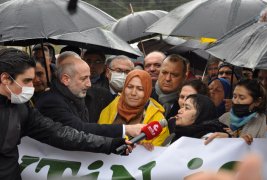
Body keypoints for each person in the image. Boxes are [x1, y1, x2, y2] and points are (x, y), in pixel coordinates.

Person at [0, 48, 133, 180]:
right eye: (26, 81)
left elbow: (61, 133)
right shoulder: (43, 102)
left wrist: (110, 144)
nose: (32, 86)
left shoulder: (22, 108)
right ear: (5, 78)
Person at [36, 51, 143, 138]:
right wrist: (125, 129)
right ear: (66, 79)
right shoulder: (51, 101)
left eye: (89, 77)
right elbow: (79, 129)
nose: (89, 84)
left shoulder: (77, 96)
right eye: (84, 78)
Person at [98, 69, 170, 146]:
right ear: (124, 87)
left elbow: (158, 152)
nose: (133, 93)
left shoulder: (157, 120)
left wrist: (144, 149)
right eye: (129, 87)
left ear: (147, 91)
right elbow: (98, 136)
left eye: (140, 89)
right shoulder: (111, 107)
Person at [205, 79, 267, 145]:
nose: (236, 101)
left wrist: (237, 139)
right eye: (234, 97)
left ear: (257, 102)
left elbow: (260, 148)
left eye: (242, 98)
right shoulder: (225, 117)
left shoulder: (260, 120)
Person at [151, 54, 187, 119]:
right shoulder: (145, 96)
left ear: (184, 78)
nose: (168, 78)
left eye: (174, 75)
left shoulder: (187, 105)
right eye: (164, 73)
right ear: (159, 73)